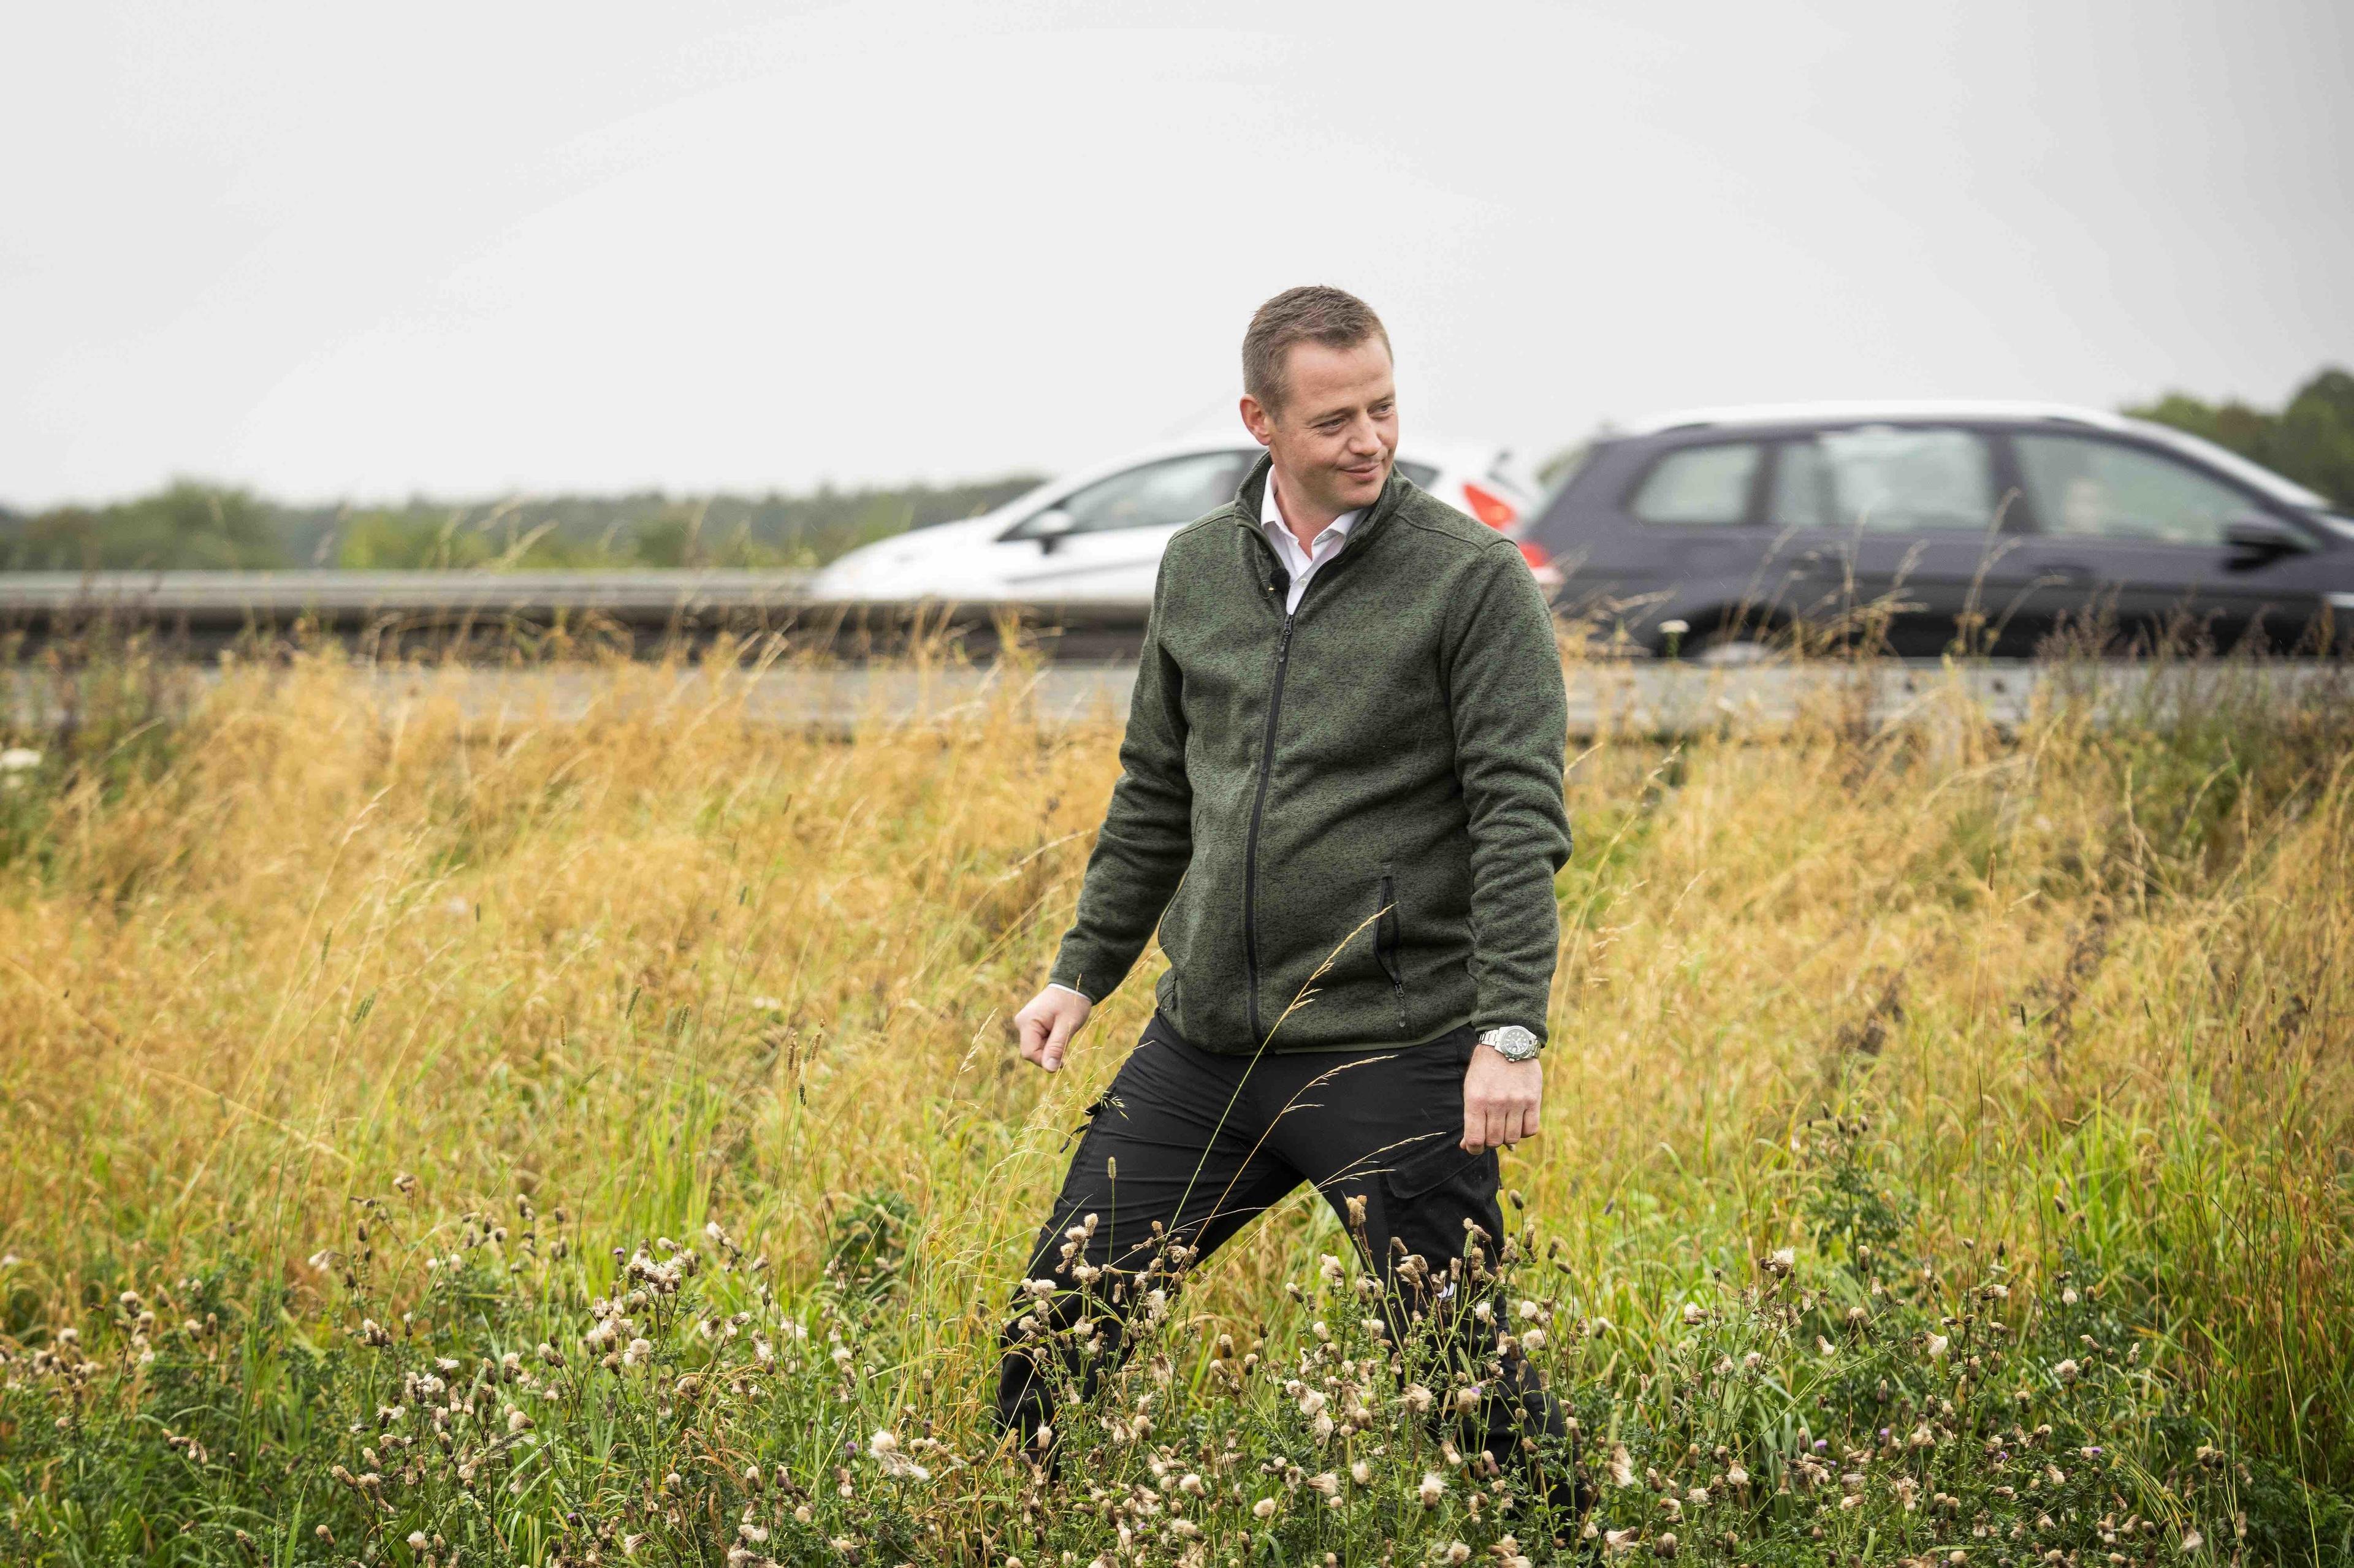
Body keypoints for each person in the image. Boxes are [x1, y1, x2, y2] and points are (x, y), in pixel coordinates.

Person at [993, 285, 1577, 1517]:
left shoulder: (1470, 581)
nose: (1370, 439)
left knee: (1463, 1378)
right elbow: (1159, 789)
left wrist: (1510, 1029)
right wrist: (1082, 970)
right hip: (1202, 1049)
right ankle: (1011, 1527)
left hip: (1394, 1049)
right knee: (1055, 1327)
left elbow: (1519, 818)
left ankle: (1565, 1534)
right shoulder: (1199, 567)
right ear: (1262, 419)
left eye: (1384, 407)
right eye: (1335, 420)